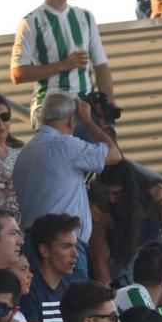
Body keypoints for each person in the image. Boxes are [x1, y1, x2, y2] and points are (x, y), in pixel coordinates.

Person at [15, 92, 121, 281]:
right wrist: (89, 122)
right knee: (75, 306)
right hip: (65, 247)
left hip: (33, 246)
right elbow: (114, 154)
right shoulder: (67, 145)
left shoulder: (25, 152)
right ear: (72, 121)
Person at [11, 0, 114, 126]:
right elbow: (17, 73)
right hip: (50, 105)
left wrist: (108, 108)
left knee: (108, 150)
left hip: (85, 103)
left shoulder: (86, 17)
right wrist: (63, 65)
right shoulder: (31, 21)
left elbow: (101, 66)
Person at [20, 213, 80, 322]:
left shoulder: (69, 290)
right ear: (44, 251)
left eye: (75, 246)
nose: (75, 254)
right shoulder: (28, 289)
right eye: (66, 247)